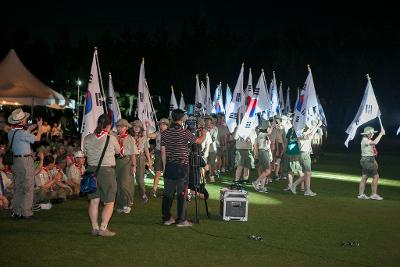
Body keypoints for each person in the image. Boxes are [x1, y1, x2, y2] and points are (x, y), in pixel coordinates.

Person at [160, 109, 207, 227]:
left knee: (167, 193)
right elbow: (199, 141)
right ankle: (181, 220)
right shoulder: (183, 132)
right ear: (182, 119)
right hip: (181, 166)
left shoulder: (165, 133)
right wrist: (204, 132)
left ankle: (167, 218)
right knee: (181, 193)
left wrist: (165, 167)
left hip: (170, 165)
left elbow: (163, 152)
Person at [83, 114, 120, 237]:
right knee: (109, 202)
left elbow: (86, 152)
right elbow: (118, 151)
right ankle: (103, 228)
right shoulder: (111, 138)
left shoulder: (87, 138)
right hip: (106, 172)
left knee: (94, 201)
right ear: (109, 126)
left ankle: (95, 227)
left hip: (90, 171)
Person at [7, 108, 43, 219]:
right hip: (25, 161)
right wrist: (40, 127)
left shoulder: (12, 132)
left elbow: (23, 135)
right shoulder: (22, 133)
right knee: (28, 187)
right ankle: (26, 212)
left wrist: (31, 128)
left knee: (18, 187)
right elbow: (37, 138)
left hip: (16, 161)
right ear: (22, 121)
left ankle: (17, 211)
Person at [290, 120, 322, 196]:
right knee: (308, 173)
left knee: (308, 173)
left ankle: (306, 189)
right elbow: (310, 135)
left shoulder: (300, 133)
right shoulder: (303, 134)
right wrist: (317, 126)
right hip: (304, 154)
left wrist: (316, 126)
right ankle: (297, 186)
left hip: (303, 154)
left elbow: (311, 132)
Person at [115, 119, 138, 214]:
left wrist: (134, 165)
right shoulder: (114, 137)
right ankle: (120, 204)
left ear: (126, 128)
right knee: (117, 184)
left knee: (125, 184)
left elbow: (133, 153)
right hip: (116, 161)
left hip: (126, 161)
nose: (120, 128)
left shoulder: (130, 138)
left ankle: (127, 204)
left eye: (122, 126)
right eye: (118, 126)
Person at [358, 126, 385, 200]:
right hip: (368, 160)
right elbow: (375, 142)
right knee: (376, 176)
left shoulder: (366, 139)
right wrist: (381, 134)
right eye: (372, 133)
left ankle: (361, 194)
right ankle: (373, 194)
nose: (373, 134)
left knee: (364, 177)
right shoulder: (365, 140)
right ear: (368, 134)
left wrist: (374, 161)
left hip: (367, 159)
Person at [146, 118, 170, 198]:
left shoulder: (170, 134)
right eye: (160, 124)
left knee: (167, 173)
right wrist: (147, 127)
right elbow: (148, 135)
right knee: (158, 172)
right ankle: (154, 190)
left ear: (167, 126)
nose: (161, 126)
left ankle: (167, 191)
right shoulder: (158, 133)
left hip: (168, 154)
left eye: (163, 124)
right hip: (159, 154)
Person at [130, 120, 152, 204]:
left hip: (140, 157)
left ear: (141, 128)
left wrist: (149, 161)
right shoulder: (129, 137)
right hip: (130, 158)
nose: (136, 128)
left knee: (140, 178)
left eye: (138, 127)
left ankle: (143, 194)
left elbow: (146, 149)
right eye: (135, 126)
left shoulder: (144, 137)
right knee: (129, 178)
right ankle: (129, 197)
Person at [252, 120, 272, 193]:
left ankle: (262, 187)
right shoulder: (263, 134)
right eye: (268, 127)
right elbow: (269, 133)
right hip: (264, 152)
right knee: (267, 171)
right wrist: (273, 124)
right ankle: (256, 182)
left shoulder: (260, 134)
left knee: (264, 171)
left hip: (263, 152)